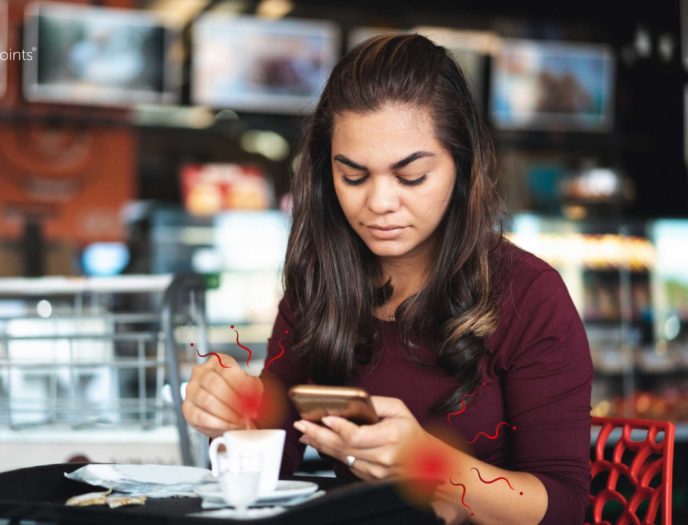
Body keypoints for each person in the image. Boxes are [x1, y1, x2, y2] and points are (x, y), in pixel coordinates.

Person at [183, 33, 593, 525]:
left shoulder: (529, 295)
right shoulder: (321, 283)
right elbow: (280, 454)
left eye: (411, 177)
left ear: (462, 167)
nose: (379, 202)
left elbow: (565, 507)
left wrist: (429, 463)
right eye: (353, 177)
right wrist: (234, 416)